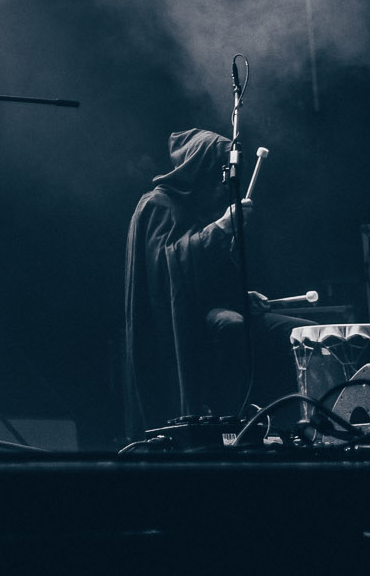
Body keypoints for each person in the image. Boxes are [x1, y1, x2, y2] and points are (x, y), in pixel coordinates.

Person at [123, 127, 304, 433]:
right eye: (220, 171)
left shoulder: (197, 208)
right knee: (231, 325)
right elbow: (169, 269)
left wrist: (240, 294)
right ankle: (230, 421)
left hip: (209, 310)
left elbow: (206, 275)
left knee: (302, 335)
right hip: (179, 326)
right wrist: (221, 227)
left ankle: (295, 423)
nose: (224, 184)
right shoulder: (156, 204)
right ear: (201, 166)